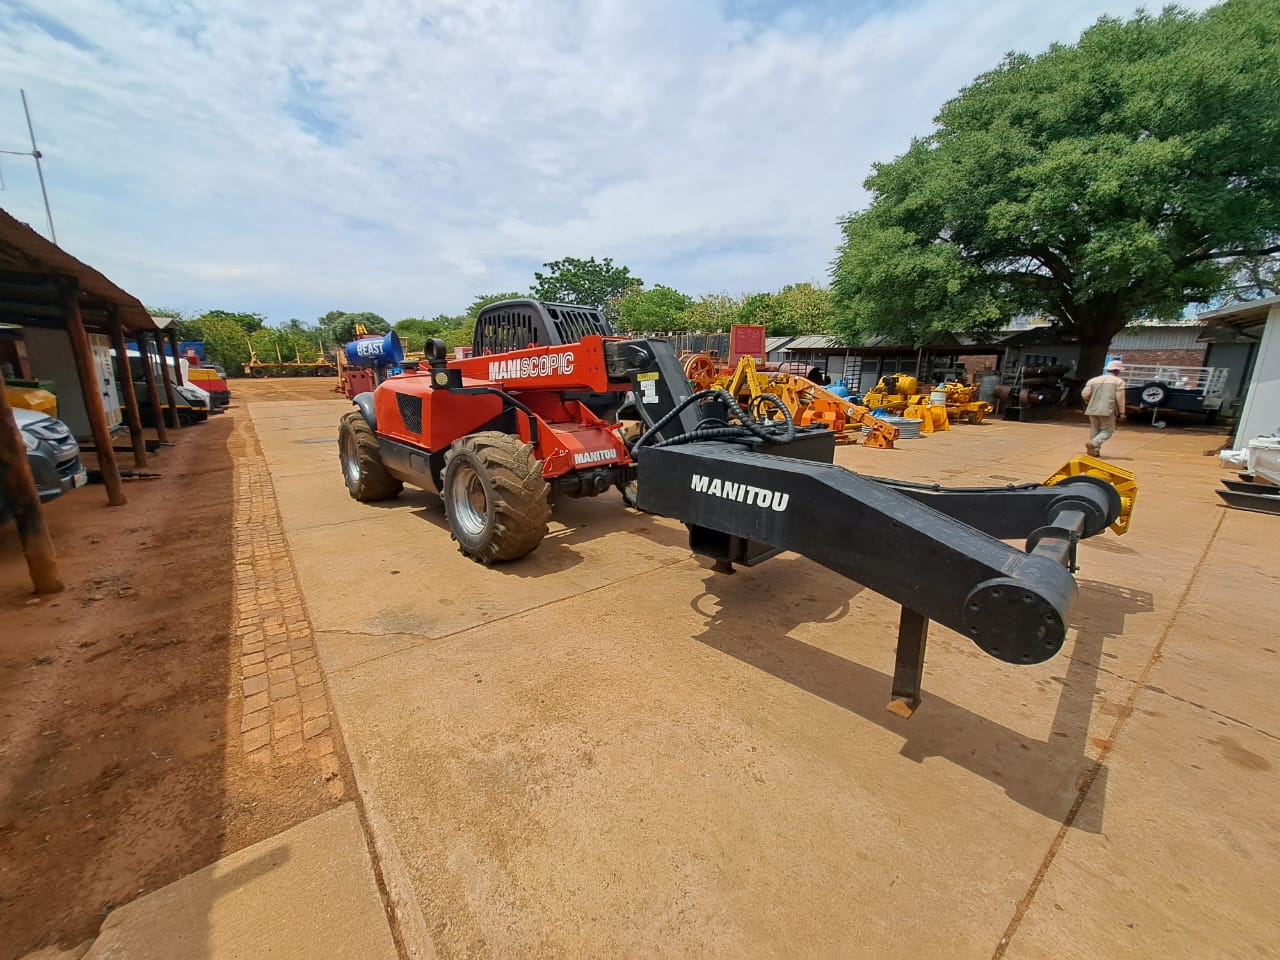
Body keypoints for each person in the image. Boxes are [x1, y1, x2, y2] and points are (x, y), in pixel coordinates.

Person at [1081, 359, 1127, 456]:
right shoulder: (1118, 381)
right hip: (1107, 409)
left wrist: (1089, 401)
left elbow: (1084, 394)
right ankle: (1094, 444)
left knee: (1095, 429)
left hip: (1092, 409)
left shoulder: (1093, 380)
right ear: (1117, 371)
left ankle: (1095, 452)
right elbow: (1120, 398)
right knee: (1108, 430)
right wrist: (1122, 412)